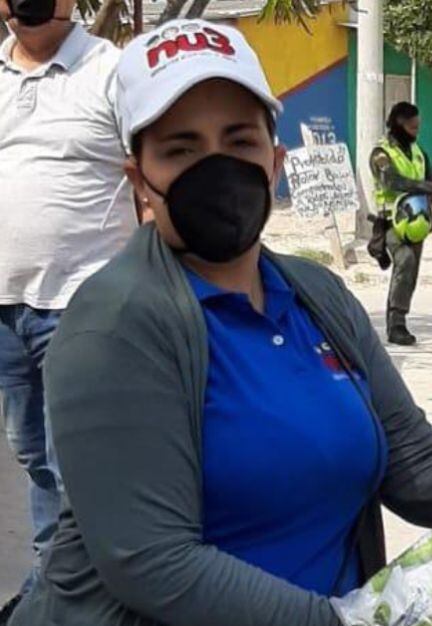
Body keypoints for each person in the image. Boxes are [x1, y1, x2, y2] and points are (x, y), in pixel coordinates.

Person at [10, 20, 432, 626]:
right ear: (139, 181)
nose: (215, 168)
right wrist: (342, 622)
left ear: (274, 162)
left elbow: (418, 470)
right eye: (180, 148)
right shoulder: (113, 326)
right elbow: (153, 562)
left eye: (239, 141)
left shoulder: (316, 294)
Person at [0, 0, 134, 618]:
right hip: (5, 308)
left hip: (81, 306)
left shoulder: (110, 71)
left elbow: (149, 179)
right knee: (32, 456)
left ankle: (71, 594)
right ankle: (57, 581)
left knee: (73, 462)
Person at [368, 102, 432, 346]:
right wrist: (430, 188)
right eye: (412, 126)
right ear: (399, 124)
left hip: (417, 222)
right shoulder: (381, 154)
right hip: (391, 223)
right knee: (404, 260)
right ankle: (396, 324)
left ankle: (400, 318)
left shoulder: (419, 153)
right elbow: (392, 181)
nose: (417, 130)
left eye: (418, 126)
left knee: (410, 270)